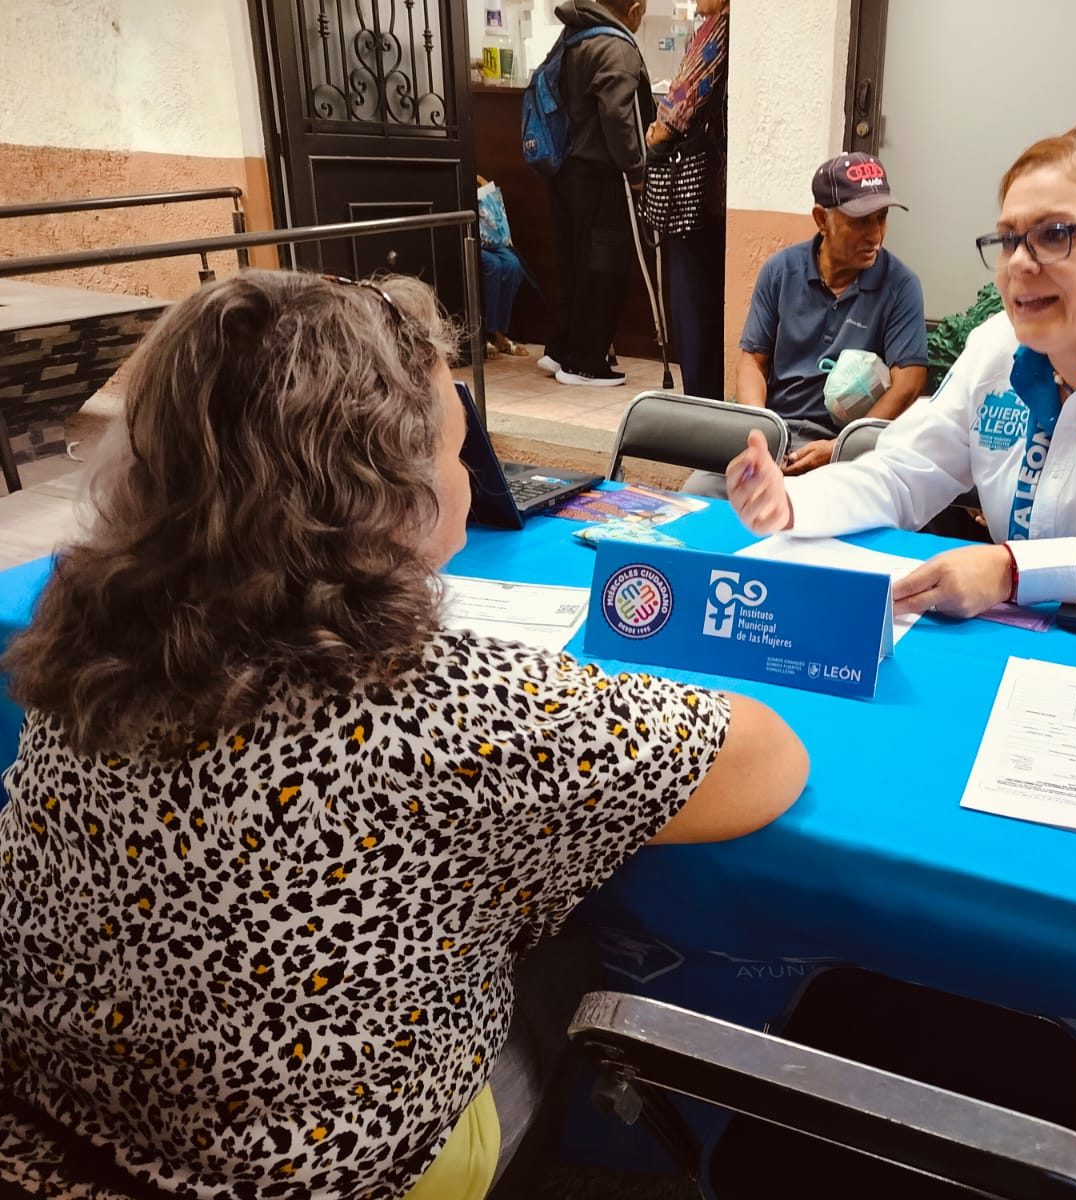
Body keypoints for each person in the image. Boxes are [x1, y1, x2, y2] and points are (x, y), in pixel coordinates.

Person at [0, 269, 808, 1199]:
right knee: (570, 963)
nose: (473, 479)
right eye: (460, 453)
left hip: (51, 1132)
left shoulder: (83, 633)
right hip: (324, 1176)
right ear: (387, 491)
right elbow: (766, 759)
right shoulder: (437, 707)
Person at [724, 120, 1076, 614]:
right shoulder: (995, 347)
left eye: (1054, 235)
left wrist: (1013, 571)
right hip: (1037, 634)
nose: (1019, 263)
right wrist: (793, 502)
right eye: (1008, 238)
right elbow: (901, 476)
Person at [684, 151, 928, 497]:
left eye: (882, 218)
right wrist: (760, 431)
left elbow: (910, 382)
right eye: (860, 222)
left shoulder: (900, 284)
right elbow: (752, 359)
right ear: (821, 219)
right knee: (700, 491)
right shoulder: (781, 271)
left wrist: (842, 447)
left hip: (851, 452)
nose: (875, 235)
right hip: (777, 436)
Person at [538, 0, 652, 387]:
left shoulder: (573, 35)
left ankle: (560, 350)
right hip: (603, 174)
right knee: (605, 266)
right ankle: (585, 361)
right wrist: (636, 171)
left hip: (565, 167)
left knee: (574, 263)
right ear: (634, 8)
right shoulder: (617, 47)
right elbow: (618, 118)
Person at [643, 0, 729, 401]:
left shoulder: (716, 28)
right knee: (710, 300)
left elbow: (679, 105)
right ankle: (709, 395)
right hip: (720, 191)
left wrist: (657, 132)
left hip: (696, 189)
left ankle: (699, 400)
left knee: (693, 301)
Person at [477, 174, 534, 359]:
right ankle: (488, 332)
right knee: (493, 265)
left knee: (512, 264)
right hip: (468, 238)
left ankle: (500, 330)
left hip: (491, 240)